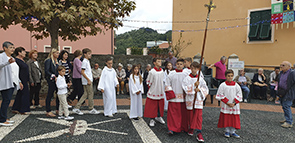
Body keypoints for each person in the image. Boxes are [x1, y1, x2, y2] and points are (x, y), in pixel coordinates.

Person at [182, 62, 209, 142]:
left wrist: (199, 90)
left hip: (198, 100)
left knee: (198, 117)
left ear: (198, 69)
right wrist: (194, 86)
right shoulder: (186, 78)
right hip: (190, 100)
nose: (193, 70)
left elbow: (206, 89)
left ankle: (199, 133)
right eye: (192, 68)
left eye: (195, 68)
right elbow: (185, 88)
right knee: (190, 116)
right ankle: (191, 128)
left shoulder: (200, 79)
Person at [72, 48, 100, 115]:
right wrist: (88, 80)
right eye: (89, 54)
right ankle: (91, 108)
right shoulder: (84, 61)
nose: (90, 55)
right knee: (90, 94)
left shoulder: (87, 61)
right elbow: (82, 72)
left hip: (87, 80)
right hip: (87, 81)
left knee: (85, 94)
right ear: (85, 54)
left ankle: (77, 107)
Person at [216, 69, 242, 138]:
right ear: (225, 76)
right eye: (228, 76)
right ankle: (227, 131)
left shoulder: (236, 85)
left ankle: (233, 131)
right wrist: (227, 102)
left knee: (234, 118)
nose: (230, 77)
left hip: (234, 105)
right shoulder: (223, 85)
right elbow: (220, 94)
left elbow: (239, 95)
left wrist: (234, 102)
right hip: (226, 104)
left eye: (231, 76)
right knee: (226, 117)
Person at [165, 59, 189, 135]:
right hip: (174, 97)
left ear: (183, 65)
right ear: (175, 64)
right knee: (173, 114)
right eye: (178, 64)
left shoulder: (186, 74)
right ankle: (172, 128)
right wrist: (171, 94)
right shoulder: (171, 74)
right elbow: (167, 84)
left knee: (183, 113)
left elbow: (189, 84)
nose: (179, 65)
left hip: (183, 97)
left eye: (181, 64)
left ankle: (183, 127)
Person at [0, 41, 21, 126]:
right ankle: (2, 119)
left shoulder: (11, 57)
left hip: (12, 82)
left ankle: (4, 117)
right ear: (5, 48)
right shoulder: (1, 56)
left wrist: (19, 81)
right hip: (5, 82)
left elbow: (14, 71)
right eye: (11, 47)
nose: (13, 49)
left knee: (7, 101)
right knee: (6, 100)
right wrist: (7, 62)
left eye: (13, 47)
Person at [144, 58, 165, 127]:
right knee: (153, 105)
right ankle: (152, 119)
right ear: (154, 63)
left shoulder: (162, 71)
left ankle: (158, 116)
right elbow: (148, 81)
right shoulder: (152, 72)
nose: (160, 62)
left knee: (160, 104)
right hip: (154, 90)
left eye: (160, 61)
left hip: (160, 90)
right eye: (158, 61)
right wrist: (151, 89)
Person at [12, 47, 31, 115]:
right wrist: (19, 81)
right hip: (21, 79)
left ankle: (16, 108)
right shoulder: (16, 60)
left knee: (20, 94)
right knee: (25, 94)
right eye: (23, 51)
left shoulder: (22, 60)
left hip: (24, 79)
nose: (25, 53)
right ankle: (24, 109)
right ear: (19, 53)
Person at [278, 61, 295, 128]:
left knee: (286, 106)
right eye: (281, 65)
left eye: (283, 65)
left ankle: (289, 122)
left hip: (289, 93)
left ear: (288, 67)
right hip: (282, 92)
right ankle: (287, 119)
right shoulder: (281, 73)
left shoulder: (292, 73)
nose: (281, 66)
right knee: (284, 106)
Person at [44, 48, 59, 117]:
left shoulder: (57, 61)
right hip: (51, 80)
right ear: (53, 53)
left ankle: (58, 109)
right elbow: (47, 71)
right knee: (50, 94)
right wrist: (53, 76)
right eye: (56, 53)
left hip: (57, 80)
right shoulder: (48, 60)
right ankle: (48, 110)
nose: (58, 54)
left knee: (58, 94)